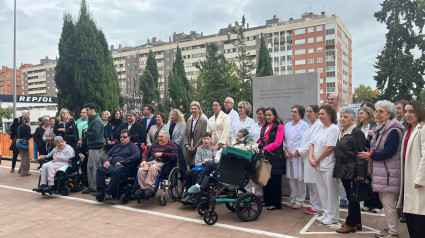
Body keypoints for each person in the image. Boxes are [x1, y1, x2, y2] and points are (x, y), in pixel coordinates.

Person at [358, 100, 404, 238]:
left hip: (389, 173)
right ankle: (391, 229)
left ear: (389, 114)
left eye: (381, 111)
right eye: (377, 111)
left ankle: (393, 233)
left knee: (389, 205)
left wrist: (370, 154)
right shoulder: (381, 128)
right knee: (386, 203)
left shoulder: (394, 130)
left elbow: (389, 152)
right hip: (383, 173)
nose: (377, 114)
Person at [334, 107, 367, 233]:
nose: (342, 118)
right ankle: (357, 221)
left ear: (352, 119)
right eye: (341, 116)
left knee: (352, 198)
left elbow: (360, 153)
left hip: (352, 169)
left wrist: (360, 174)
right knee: (351, 196)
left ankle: (350, 224)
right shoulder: (342, 131)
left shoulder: (356, 132)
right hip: (343, 169)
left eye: (345, 117)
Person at [397, 100, 425, 238]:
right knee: (409, 214)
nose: (407, 114)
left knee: (419, 214)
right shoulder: (408, 129)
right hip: (408, 176)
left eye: (411, 111)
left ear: (419, 112)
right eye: (406, 111)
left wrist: (420, 178)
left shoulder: (423, 128)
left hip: (418, 180)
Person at [309, 104, 340, 225]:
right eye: (320, 114)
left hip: (328, 165)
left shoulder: (334, 128)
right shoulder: (319, 128)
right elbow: (312, 143)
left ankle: (333, 216)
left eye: (323, 114)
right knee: (321, 189)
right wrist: (311, 158)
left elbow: (329, 148)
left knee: (331, 191)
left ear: (330, 115)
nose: (320, 116)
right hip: (316, 164)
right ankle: (326, 212)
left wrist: (316, 160)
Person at [91, 130, 140, 200]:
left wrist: (122, 162)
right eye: (121, 137)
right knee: (100, 169)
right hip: (112, 165)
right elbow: (107, 154)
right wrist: (106, 161)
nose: (122, 138)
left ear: (129, 137)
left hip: (126, 166)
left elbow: (136, 156)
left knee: (117, 170)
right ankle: (101, 190)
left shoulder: (133, 146)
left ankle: (109, 192)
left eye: (125, 137)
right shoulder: (117, 145)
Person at [294, 105, 323, 215]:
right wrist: (300, 150)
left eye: (310, 111)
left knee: (314, 183)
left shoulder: (318, 125)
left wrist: (300, 151)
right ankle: (314, 205)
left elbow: (312, 142)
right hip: (306, 157)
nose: (308, 113)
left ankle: (317, 206)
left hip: (313, 156)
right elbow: (304, 141)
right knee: (310, 182)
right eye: (307, 111)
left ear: (316, 113)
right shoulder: (310, 125)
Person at [136, 131, 178, 198]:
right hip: (151, 161)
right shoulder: (154, 144)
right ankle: (143, 189)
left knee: (153, 167)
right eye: (159, 137)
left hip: (163, 163)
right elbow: (147, 154)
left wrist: (162, 154)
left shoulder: (172, 145)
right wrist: (143, 161)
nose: (159, 138)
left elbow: (175, 156)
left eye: (161, 137)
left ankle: (150, 189)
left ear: (167, 138)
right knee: (141, 169)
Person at [357, 106, 383, 214]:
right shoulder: (358, 127)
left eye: (361, 113)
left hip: (372, 155)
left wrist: (373, 136)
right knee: (365, 180)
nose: (359, 115)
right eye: (359, 113)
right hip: (361, 156)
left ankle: (377, 204)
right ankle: (367, 203)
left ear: (368, 114)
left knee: (374, 179)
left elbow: (377, 142)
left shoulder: (375, 127)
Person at [260, 107, 285, 210]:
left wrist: (265, 149)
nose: (267, 117)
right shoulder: (264, 126)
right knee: (266, 179)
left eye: (270, 115)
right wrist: (259, 147)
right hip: (265, 156)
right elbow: (261, 140)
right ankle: (268, 201)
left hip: (275, 156)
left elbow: (278, 142)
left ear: (274, 116)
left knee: (275, 180)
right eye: (266, 115)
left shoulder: (279, 127)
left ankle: (275, 203)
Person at [284, 105, 308, 209]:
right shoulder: (288, 125)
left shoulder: (304, 125)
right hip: (288, 155)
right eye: (292, 111)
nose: (293, 113)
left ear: (301, 114)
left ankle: (300, 200)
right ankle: (292, 198)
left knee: (299, 178)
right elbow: (284, 140)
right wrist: (285, 150)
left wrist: (295, 152)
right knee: (291, 178)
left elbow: (304, 141)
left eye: (295, 112)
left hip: (298, 155)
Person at [182, 132, 215, 203]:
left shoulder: (213, 149)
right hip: (200, 167)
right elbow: (197, 163)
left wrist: (210, 160)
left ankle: (194, 195)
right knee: (187, 173)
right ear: (202, 140)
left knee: (196, 174)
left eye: (208, 139)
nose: (206, 140)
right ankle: (188, 193)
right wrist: (203, 162)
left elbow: (216, 161)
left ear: (211, 140)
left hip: (208, 170)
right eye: (204, 139)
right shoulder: (199, 149)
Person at [82, 103, 105, 194]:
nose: (86, 112)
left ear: (93, 110)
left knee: (93, 167)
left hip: (96, 147)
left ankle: (93, 187)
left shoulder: (97, 121)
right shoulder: (92, 120)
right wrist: (83, 139)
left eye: (87, 110)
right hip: (93, 147)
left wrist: (86, 133)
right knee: (92, 167)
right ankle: (93, 186)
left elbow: (95, 135)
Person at [184, 101, 208, 168]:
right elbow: (185, 134)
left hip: (198, 147)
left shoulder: (203, 121)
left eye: (195, 109)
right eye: (192, 109)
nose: (193, 110)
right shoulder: (189, 120)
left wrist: (196, 147)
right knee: (190, 167)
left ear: (199, 110)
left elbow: (203, 135)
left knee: (196, 166)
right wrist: (186, 145)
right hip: (189, 147)